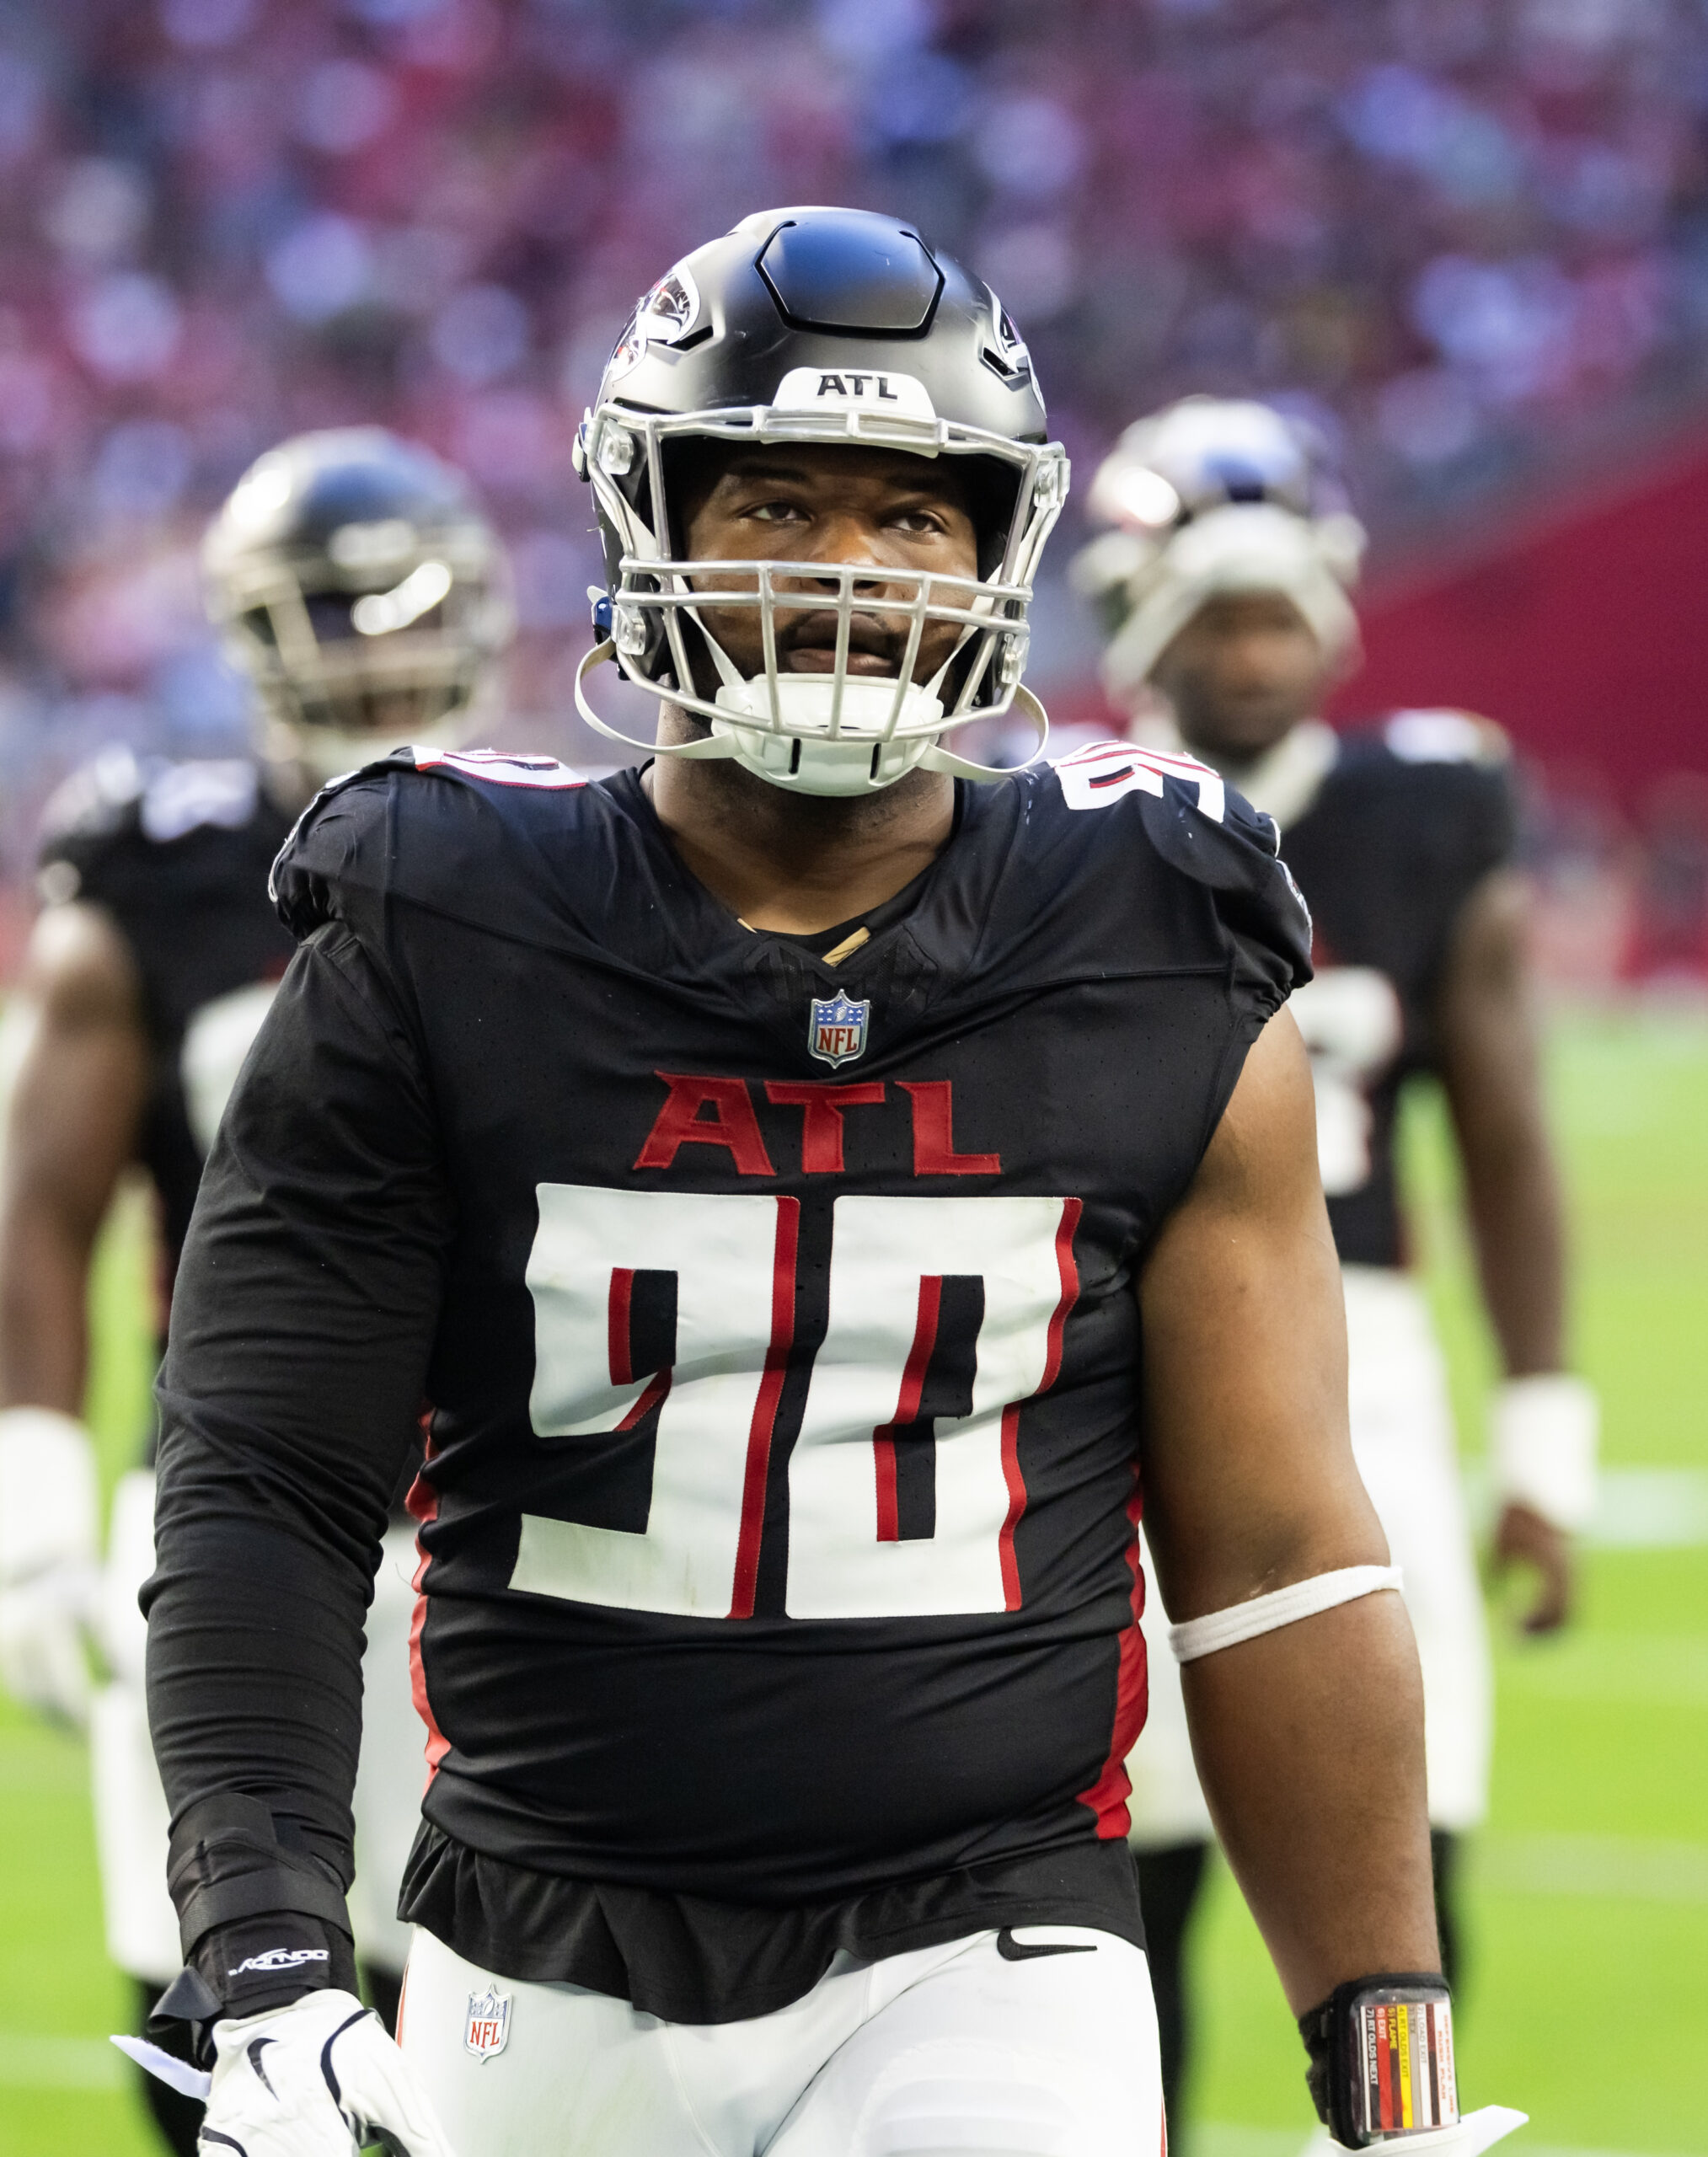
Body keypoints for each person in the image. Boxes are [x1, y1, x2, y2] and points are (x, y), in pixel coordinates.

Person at [140, 211, 1523, 2157]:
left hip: (988, 1939)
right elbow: (267, 1484)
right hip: (531, 1954)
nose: (851, 570)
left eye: (913, 513)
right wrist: (272, 1947)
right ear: (650, 525)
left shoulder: (1153, 935)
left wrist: (1391, 2075)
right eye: (778, 502)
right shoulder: (438, 922)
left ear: (1001, 552)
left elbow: (1278, 1555)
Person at [1072, 395, 1599, 2133]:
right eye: (1216, 615)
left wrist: (1544, 1437)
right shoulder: (1059, 827)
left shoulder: (1422, 807)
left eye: (1275, 612)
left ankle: (1394, 2133)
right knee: (1115, 1897)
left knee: (1404, 1872)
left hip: (1366, 1376)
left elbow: (1504, 1133)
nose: (1252, 652)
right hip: (1119, 1376)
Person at [0, 426, 511, 2154]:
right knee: (223, 2023)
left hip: (499, 1513)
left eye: (412, 606)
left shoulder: (564, 853)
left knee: (501, 2036)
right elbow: (45, 1205)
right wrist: (32, 1494)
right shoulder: (162, 864)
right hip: (232, 1496)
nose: (377, 648)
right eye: (335, 611)